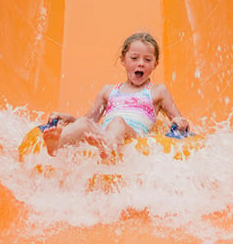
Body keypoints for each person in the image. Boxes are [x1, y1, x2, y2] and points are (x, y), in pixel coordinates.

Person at [43, 32, 189, 158]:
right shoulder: (108, 91)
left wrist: (181, 123)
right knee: (84, 124)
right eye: (134, 58)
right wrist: (69, 119)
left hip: (133, 136)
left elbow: (178, 120)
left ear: (155, 64)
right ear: (123, 60)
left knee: (117, 122)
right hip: (105, 134)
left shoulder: (158, 91)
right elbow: (90, 121)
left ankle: (107, 146)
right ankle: (57, 143)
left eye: (147, 60)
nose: (141, 63)